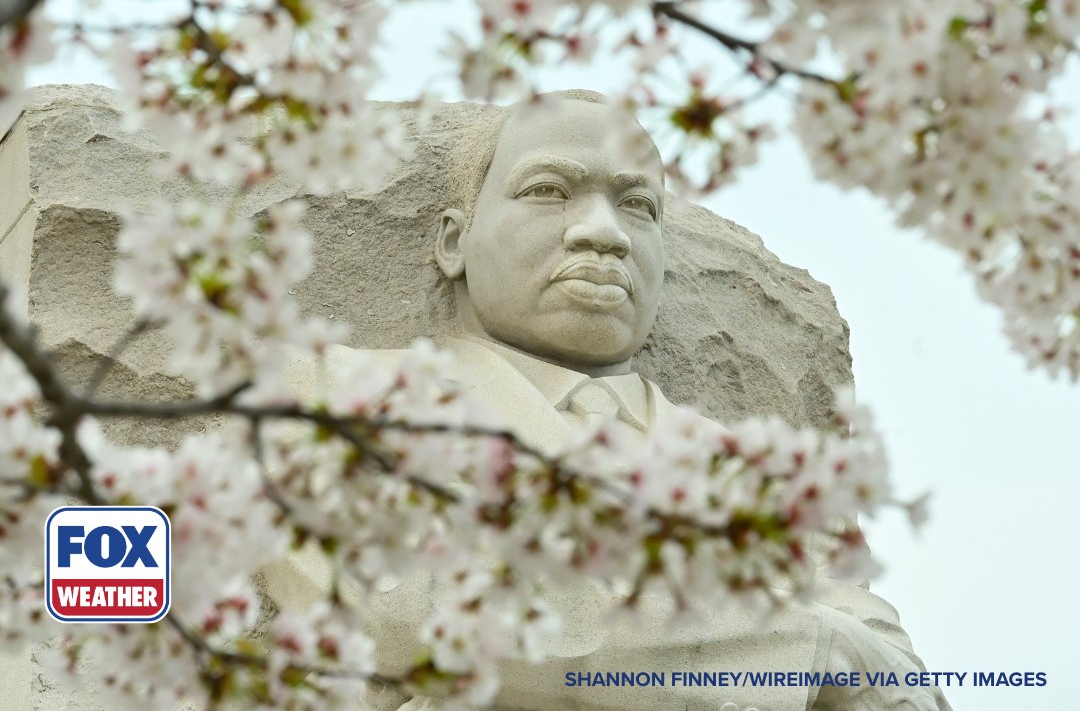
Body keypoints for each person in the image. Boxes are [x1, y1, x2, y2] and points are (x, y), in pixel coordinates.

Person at [278, 91, 951, 711]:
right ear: (455, 241)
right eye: (549, 191)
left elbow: (899, 686)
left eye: (638, 205)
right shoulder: (336, 395)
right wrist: (810, 651)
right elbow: (395, 601)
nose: (604, 232)